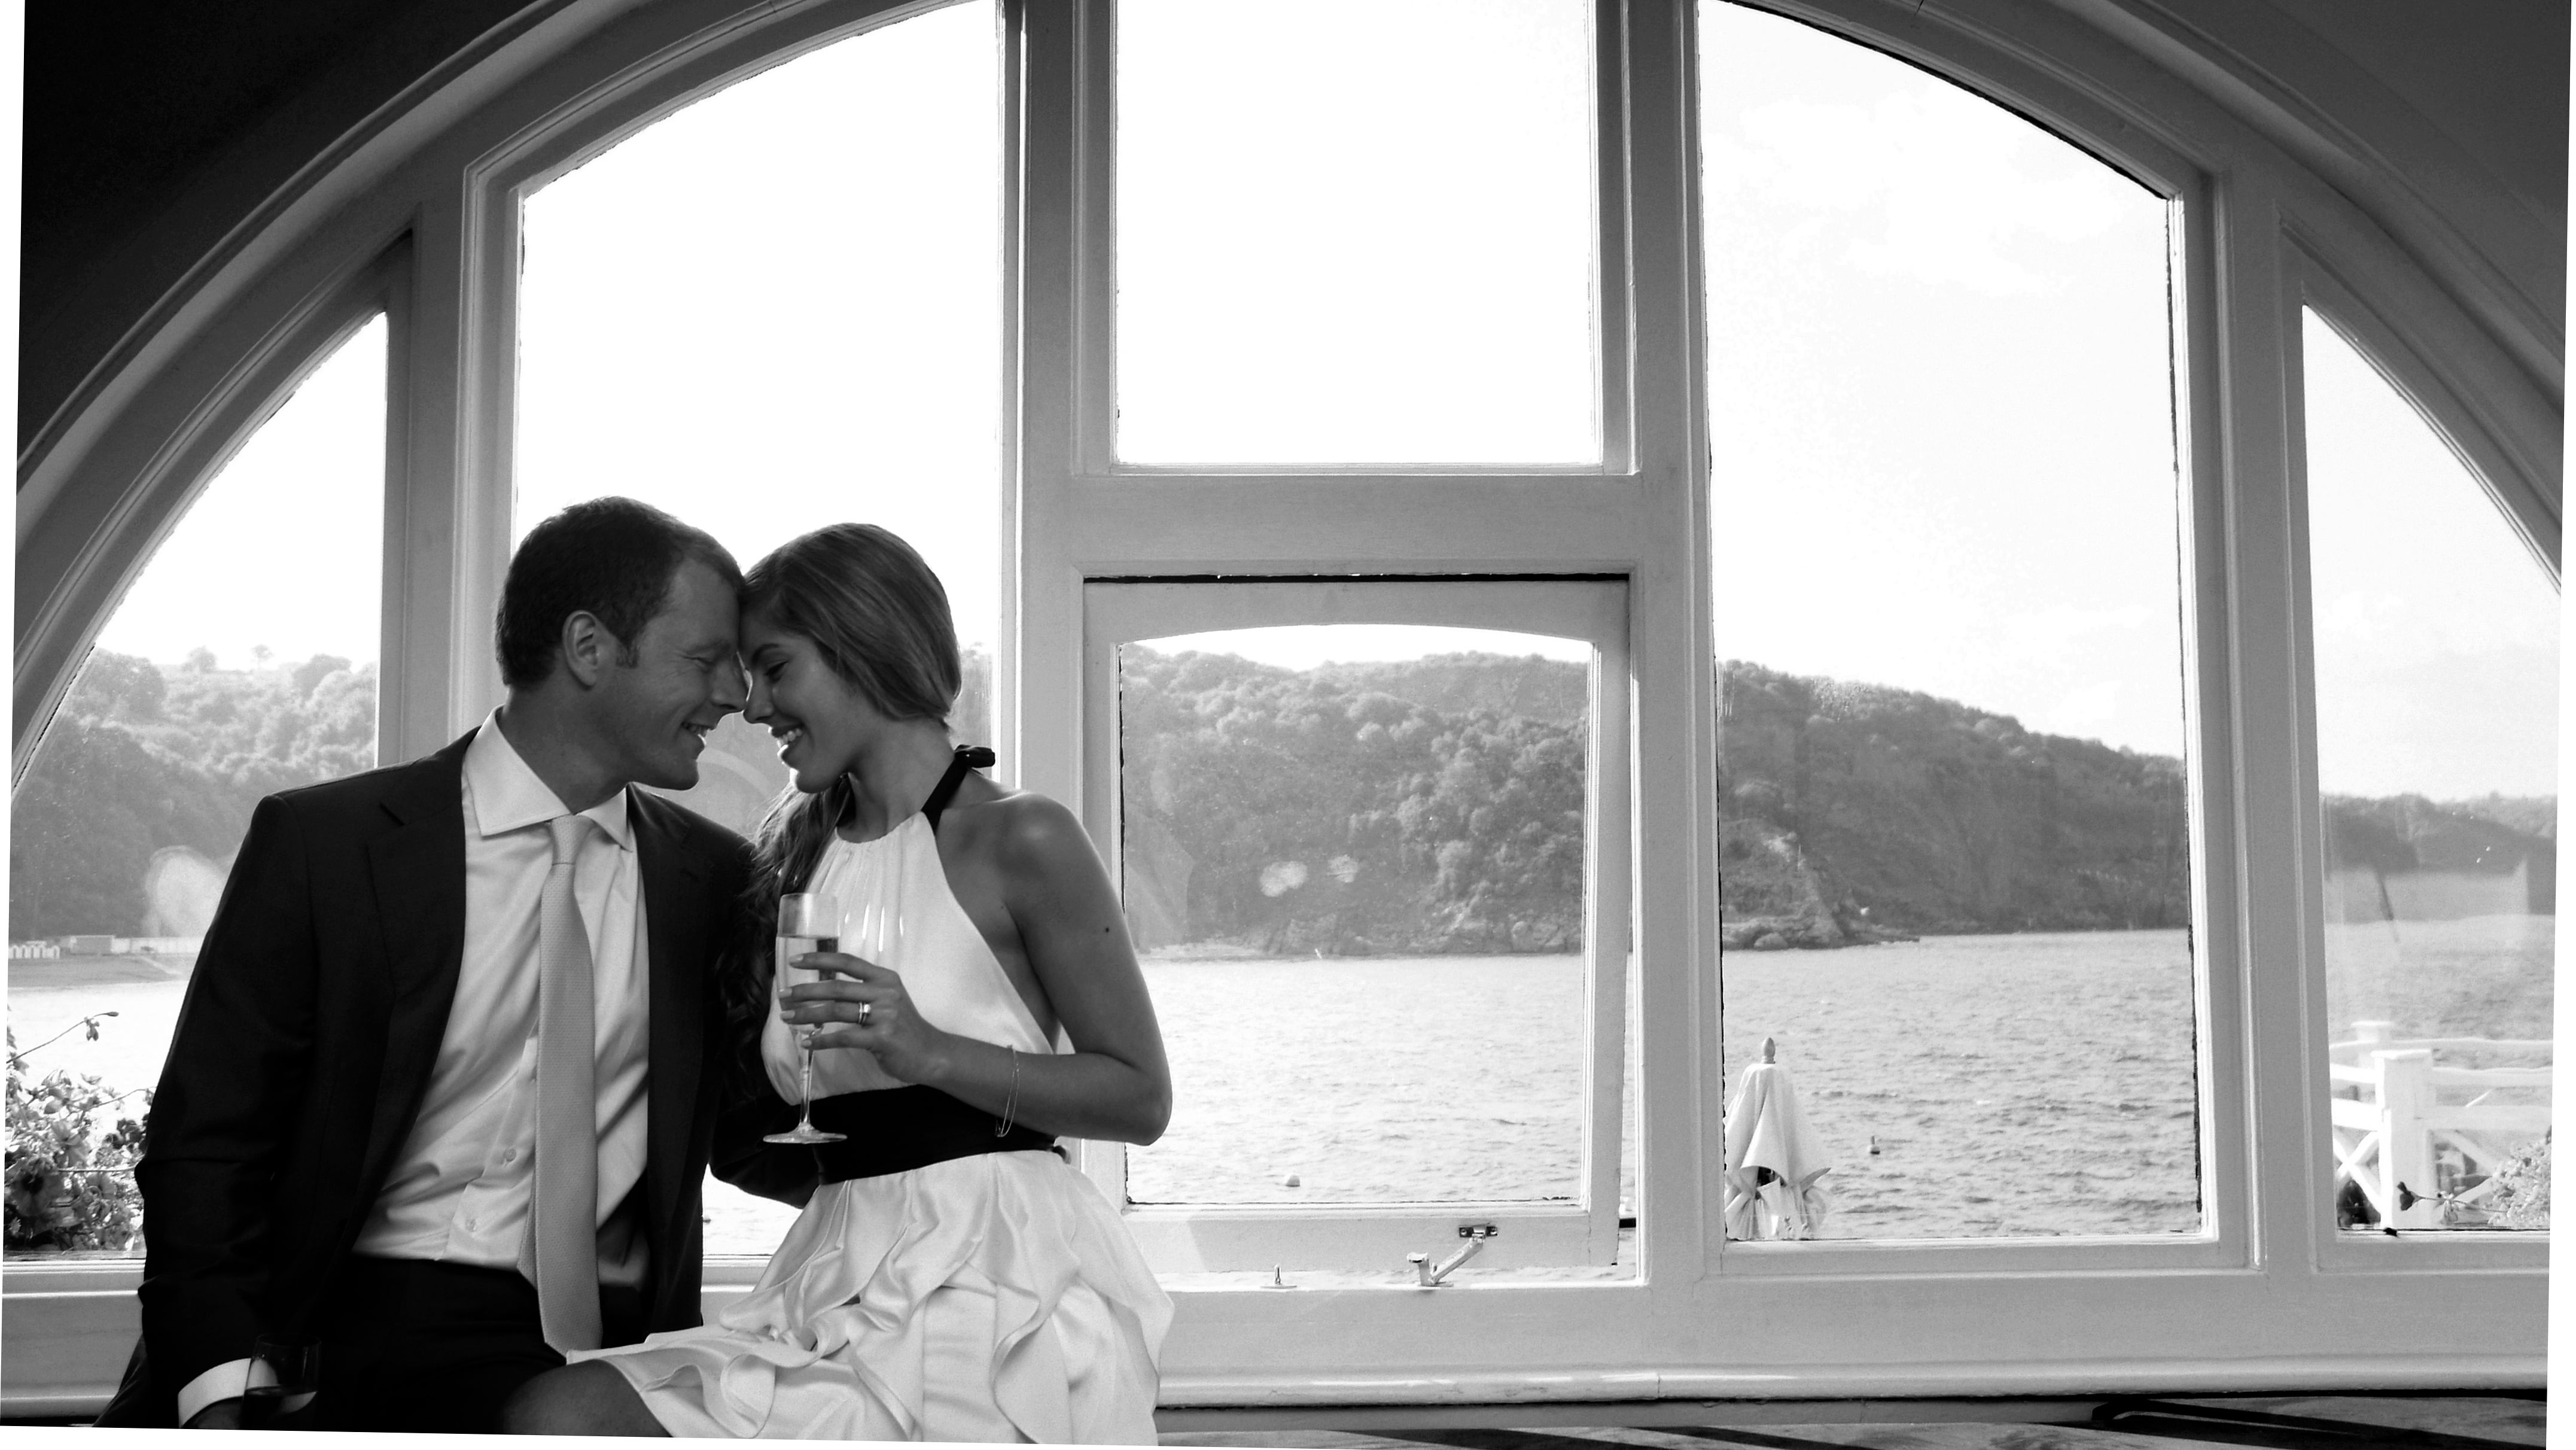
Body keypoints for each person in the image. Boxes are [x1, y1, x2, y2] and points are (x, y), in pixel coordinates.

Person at [99, 497, 808, 1432]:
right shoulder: (326, 847)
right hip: (322, 1345)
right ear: (589, 648)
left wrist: (965, 1141)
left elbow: (759, 1136)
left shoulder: (715, 880)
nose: (737, 695)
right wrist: (221, 1399)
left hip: (593, 1369)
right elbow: (208, 1149)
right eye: (706, 658)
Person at [503, 523, 1174, 1442]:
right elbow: (750, 1138)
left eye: (775, 668)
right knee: (559, 1411)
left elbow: (1138, 1098)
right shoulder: (787, 862)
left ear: (865, 646)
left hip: (996, 1286)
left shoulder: (1024, 837)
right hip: (831, 1274)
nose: (751, 705)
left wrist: (930, 1053)